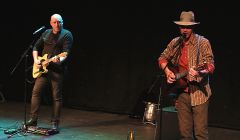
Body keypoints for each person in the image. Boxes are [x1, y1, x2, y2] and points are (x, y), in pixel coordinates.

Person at [158, 11, 215, 139]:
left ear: (193, 27)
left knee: (200, 133)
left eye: (188, 27)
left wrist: (200, 72)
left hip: (199, 93)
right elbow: (162, 58)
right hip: (182, 92)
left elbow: (210, 66)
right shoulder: (175, 42)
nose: (185, 30)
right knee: (184, 134)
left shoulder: (203, 42)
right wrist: (168, 72)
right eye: (182, 27)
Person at [26, 13, 73, 131]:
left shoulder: (67, 35)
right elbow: (36, 47)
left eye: (59, 22)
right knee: (36, 93)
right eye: (55, 22)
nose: (57, 24)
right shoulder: (46, 33)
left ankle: (55, 123)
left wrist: (58, 60)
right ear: (50, 23)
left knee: (56, 97)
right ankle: (33, 119)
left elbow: (65, 54)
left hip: (57, 70)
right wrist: (36, 60)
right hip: (42, 68)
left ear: (63, 22)